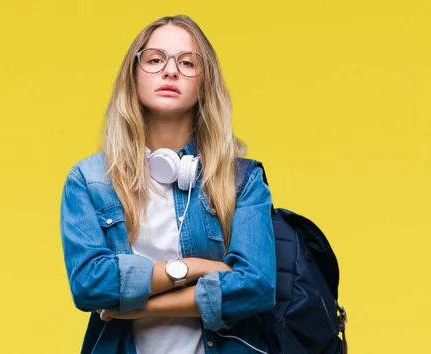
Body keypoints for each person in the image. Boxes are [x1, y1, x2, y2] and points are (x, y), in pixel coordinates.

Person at [60, 14, 276, 354]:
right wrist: (192, 268)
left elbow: (257, 286)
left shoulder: (241, 180)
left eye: (188, 62)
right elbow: (90, 284)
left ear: (205, 82)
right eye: (155, 59)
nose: (170, 70)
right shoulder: (91, 180)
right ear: (133, 76)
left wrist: (137, 305)